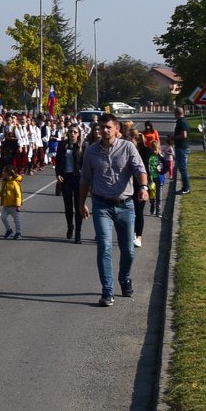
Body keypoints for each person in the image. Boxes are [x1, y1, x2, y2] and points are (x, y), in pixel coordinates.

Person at [80, 114, 148, 307]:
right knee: (104, 247)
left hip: (126, 205)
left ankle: (125, 278)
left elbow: (139, 170)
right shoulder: (91, 152)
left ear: (117, 129)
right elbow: (85, 180)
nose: (104, 130)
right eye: (101, 127)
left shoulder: (128, 147)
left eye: (108, 127)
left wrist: (143, 188)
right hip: (102, 205)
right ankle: (107, 290)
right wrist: (81, 203)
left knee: (128, 250)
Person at [55, 128, 86, 242]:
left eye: (75, 132)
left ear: (78, 134)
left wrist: (85, 173)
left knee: (79, 206)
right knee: (68, 206)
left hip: (78, 178)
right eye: (70, 132)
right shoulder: (63, 145)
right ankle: (70, 226)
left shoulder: (83, 145)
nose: (72, 134)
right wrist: (58, 174)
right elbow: (57, 161)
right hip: (66, 178)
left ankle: (78, 233)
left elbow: (85, 162)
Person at [0, 162, 25, 239]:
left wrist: (18, 205)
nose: (3, 173)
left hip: (13, 206)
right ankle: (9, 230)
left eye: (4, 172)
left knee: (16, 220)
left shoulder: (14, 183)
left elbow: (18, 195)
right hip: (6, 205)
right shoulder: (4, 182)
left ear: (9, 174)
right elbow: (2, 192)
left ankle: (18, 232)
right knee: (3, 217)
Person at [169, 107, 192, 194]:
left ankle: (186, 188)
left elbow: (184, 135)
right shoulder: (183, 121)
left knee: (183, 169)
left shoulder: (182, 122)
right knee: (182, 168)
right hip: (181, 147)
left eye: (174, 113)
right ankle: (185, 187)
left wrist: (173, 137)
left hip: (182, 148)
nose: (174, 115)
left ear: (177, 113)